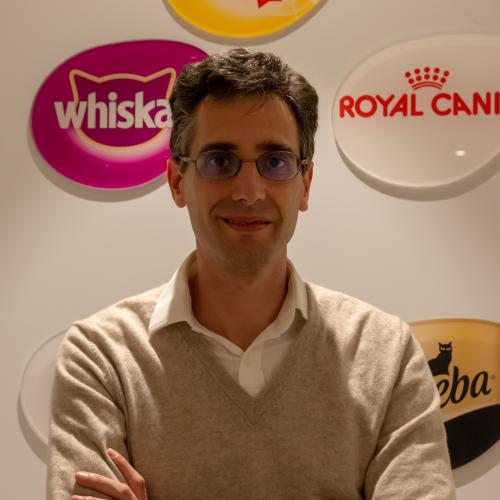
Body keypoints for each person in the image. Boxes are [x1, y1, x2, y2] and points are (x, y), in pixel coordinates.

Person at [47, 48, 456, 500]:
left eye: (275, 162)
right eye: (219, 161)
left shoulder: (385, 353)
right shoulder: (103, 356)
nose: (248, 191)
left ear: (305, 185)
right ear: (178, 182)